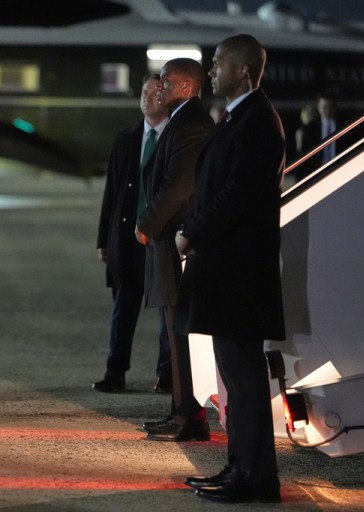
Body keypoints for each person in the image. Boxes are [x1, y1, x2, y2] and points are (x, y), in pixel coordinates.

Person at [175, 34, 285, 503]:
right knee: (236, 381)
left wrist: (191, 232)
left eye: (219, 64)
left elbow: (236, 195)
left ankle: (256, 476)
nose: (211, 70)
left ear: (243, 71)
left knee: (244, 381)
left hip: (240, 276)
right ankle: (240, 466)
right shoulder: (242, 116)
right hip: (229, 274)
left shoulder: (257, 120)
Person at [135, 58, 214, 442]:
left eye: (165, 81)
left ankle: (189, 418)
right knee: (173, 328)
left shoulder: (192, 124)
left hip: (176, 238)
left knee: (180, 330)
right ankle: (180, 412)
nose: (158, 88)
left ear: (186, 87)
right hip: (171, 236)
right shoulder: (184, 120)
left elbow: (179, 185)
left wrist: (147, 223)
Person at [94, 74, 172, 394]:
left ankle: (167, 375)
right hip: (127, 238)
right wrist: (104, 239)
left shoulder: (176, 138)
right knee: (122, 309)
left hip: (160, 238)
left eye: (155, 93)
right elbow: (111, 192)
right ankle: (116, 371)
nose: (147, 97)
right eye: (143, 92)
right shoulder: (127, 138)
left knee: (166, 313)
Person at [293, 93, 339, 181]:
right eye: (324, 107)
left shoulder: (345, 126)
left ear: (334, 107)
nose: (327, 110)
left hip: (340, 172)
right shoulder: (309, 130)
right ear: (319, 108)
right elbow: (303, 157)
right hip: (316, 175)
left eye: (330, 107)